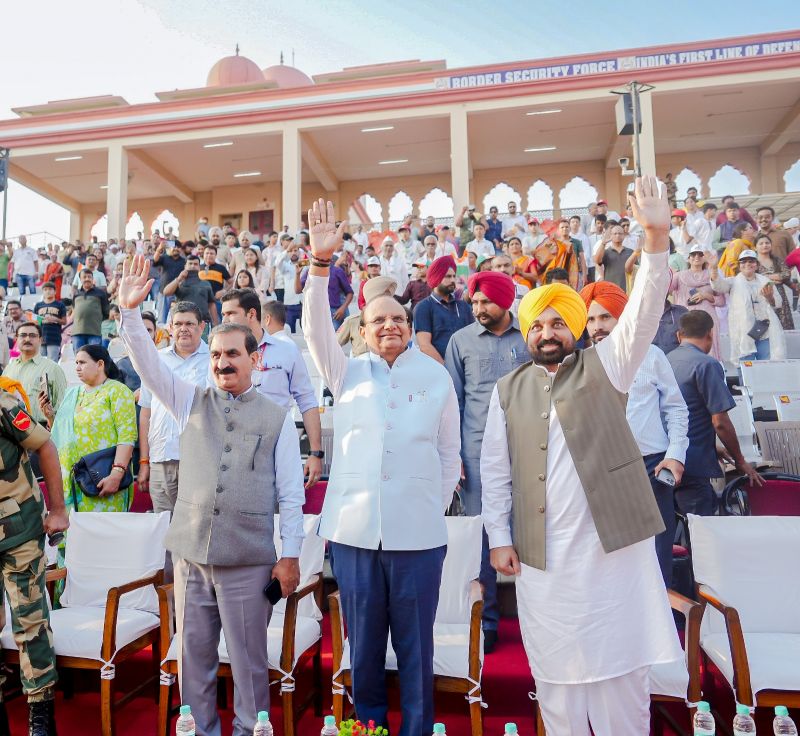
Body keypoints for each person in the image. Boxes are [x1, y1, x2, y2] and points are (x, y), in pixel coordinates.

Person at [481, 176, 682, 735]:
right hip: (545, 561)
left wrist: (656, 238)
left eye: (557, 322)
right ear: (527, 333)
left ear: (574, 327)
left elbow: (643, 310)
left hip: (612, 553)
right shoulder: (508, 391)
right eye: (537, 324)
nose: (547, 332)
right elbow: (495, 471)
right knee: (560, 689)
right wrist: (498, 537)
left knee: (622, 687)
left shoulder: (610, 364)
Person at [120, 255, 304, 736]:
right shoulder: (188, 401)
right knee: (193, 663)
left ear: (254, 358)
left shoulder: (278, 418)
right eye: (217, 355)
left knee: (248, 668)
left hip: (248, 561)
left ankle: (249, 731)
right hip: (191, 560)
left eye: (233, 355)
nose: (223, 363)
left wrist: (291, 557)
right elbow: (147, 366)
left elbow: (291, 493)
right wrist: (127, 313)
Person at [303, 199, 460, 736]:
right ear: (363, 330)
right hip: (353, 534)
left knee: (416, 650)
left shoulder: (436, 377)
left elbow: (449, 457)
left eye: (397, 318)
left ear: (408, 324)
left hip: (418, 536)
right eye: (378, 321)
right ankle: (367, 729)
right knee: (362, 645)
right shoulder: (347, 373)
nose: (389, 326)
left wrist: (419, 505)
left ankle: (417, 730)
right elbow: (315, 328)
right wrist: (320, 266)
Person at [581, 281, 688, 587]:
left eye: (605, 317)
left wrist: (674, 456)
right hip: (600, 471)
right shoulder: (578, 364)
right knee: (607, 558)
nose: (597, 326)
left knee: (656, 554)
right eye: (591, 319)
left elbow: (677, 411)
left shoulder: (652, 356)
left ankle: (660, 631)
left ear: (622, 318)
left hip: (651, 466)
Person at [445, 271, 526, 652]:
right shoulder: (460, 342)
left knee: (534, 533)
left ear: (506, 301)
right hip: (477, 456)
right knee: (483, 537)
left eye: (486, 302)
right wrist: (456, 456)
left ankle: (536, 617)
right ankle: (487, 619)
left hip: (531, 452)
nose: (478, 309)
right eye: (474, 302)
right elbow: (454, 404)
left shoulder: (530, 336)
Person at [0, 387, 69, 736]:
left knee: (30, 621)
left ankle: (40, 714)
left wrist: (57, 509)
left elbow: (45, 445)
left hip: (18, 530)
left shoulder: (3, 402)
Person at [220, 288, 324, 489]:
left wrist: (315, 453)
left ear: (251, 314)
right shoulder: (220, 354)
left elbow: (307, 401)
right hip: (234, 449)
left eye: (230, 313)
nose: (224, 319)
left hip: (277, 447)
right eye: (223, 314)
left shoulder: (286, 349)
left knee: (282, 511)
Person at [668, 310, 764, 515]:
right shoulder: (707, 364)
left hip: (664, 460)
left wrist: (714, 447)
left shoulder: (665, 360)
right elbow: (720, 421)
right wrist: (740, 460)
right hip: (692, 465)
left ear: (678, 335)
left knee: (673, 535)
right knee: (700, 535)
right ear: (710, 334)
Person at [41, 345, 137, 519]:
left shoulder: (117, 391)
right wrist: (50, 417)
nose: (77, 367)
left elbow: (127, 435)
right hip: (72, 479)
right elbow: (63, 434)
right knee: (74, 539)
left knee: (104, 538)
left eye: (82, 362)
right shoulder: (72, 394)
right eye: (76, 362)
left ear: (100, 364)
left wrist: (117, 474)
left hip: (102, 478)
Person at [136, 301, 210, 521]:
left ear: (202, 326)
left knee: (197, 528)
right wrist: (144, 461)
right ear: (169, 328)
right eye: (178, 324)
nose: (183, 328)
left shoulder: (214, 360)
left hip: (200, 459)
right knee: (164, 530)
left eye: (189, 323)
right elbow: (146, 412)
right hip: (161, 457)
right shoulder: (156, 361)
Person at [710, 249, 787, 362]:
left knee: (766, 365)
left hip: (764, 330)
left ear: (756, 265)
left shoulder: (765, 281)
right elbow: (718, 286)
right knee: (745, 366)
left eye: (751, 261)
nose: (747, 264)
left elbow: (778, 303)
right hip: (743, 332)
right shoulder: (733, 282)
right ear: (740, 266)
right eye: (743, 261)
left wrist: (770, 298)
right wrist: (713, 268)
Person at [3, 323, 67, 427]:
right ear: (16, 339)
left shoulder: (53, 368)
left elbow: (63, 406)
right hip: (9, 429)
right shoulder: (9, 368)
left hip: (39, 430)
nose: (27, 339)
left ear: (40, 340)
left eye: (32, 335)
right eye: (23, 335)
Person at [413, 256, 474, 364]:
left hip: (468, 367)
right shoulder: (423, 307)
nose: (452, 280)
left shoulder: (463, 306)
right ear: (436, 278)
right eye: (447, 276)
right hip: (440, 371)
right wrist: (448, 370)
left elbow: (474, 338)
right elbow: (425, 345)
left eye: (454, 276)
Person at [669, 244, 724, 360]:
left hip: (707, 319)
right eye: (693, 255)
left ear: (705, 258)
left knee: (709, 352)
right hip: (686, 319)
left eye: (700, 254)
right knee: (687, 352)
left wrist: (707, 296)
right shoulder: (679, 276)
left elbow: (721, 300)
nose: (697, 257)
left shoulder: (713, 275)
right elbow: (665, 290)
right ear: (688, 258)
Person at [338, 277, 397, 357]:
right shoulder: (353, 321)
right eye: (382, 297)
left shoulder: (396, 322)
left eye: (389, 297)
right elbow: (333, 345)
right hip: (361, 366)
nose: (386, 301)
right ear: (371, 297)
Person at [162, 254, 219, 327]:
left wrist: (215, 323)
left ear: (199, 267)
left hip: (202, 322)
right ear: (185, 266)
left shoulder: (206, 284)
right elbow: (166, 292)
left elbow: (211, 304)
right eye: (190, 264)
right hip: (183, 322)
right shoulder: (179, 283)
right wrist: (179, 278)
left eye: (195, 264)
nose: (192, 266)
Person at [300, 255, 354, 331]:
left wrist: (343, 308)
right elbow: (298, 290)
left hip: (333, 312)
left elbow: (350, 293)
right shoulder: (310, 271)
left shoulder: (337, 271)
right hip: (315, 312)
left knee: (333, 339)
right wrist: (297, 274)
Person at [754, 233, 794, 330]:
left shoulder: (776, 260)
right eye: (761, 243)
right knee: (766, 327)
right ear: (755, 247)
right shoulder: (753, 262)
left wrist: (768, 276)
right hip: (761, 297)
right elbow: (753, 278)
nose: (765, 245)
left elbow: (787, 274)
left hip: (780, 296)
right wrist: (774, 279)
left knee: (784, 324)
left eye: (767, 243)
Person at [71, 269, 111, 350]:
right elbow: (74, 310)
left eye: (89, 277)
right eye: (84, 277)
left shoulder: (100, 293)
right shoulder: (76, 294)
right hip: (77, 332)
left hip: (95, 332)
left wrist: (96, 320)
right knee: (79, 357)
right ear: (80, 279)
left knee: (94, 357)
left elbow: (106, 312)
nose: (87, 279)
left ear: (93, 279)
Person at [593, 223, 633, 291]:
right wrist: (603, 243)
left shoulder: (630, 252)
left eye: (620, 233)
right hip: (610, 289)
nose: (617, 235)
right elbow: (597, 261)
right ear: (611, 235)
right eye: (615, 233)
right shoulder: (606, 252)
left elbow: (636, 270)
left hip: (628, 289)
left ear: (624, 235)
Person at [33, 282, 67, 361]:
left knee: (52, 361)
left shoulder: (60, 305)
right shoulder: (38, 305)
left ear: (55, 291)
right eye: (45, 289)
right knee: (40, 361)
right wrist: (41, 320)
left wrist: (55, 319)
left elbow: (64, 321)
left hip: (54, 337)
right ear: (43, 292)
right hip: (40, 337)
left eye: (50, 289)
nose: (48, 291)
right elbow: (34, 322)